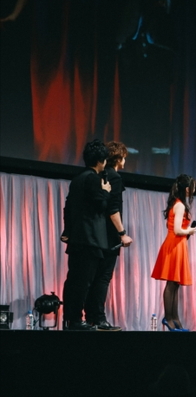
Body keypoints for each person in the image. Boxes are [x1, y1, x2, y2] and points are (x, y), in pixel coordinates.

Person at [60, 139, 111, 330]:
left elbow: (68, 207)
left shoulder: (77, 179)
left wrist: (68, 231)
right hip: (90, 238)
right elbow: (101, 205)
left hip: (77, 238)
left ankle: (70, 318)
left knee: (74, 280)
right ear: (100, 161)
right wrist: (106, 192)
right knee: (84, 282)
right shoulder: (93, 179)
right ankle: (76, 320)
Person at [89, 141, 133, 331]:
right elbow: (113, 209)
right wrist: (122, 233)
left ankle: (92, 317)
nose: (125, 161)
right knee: (103, 278)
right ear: (119, 158)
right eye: (124, 157)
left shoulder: (100, 175)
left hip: (97, 234)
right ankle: (99, 318)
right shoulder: (114, 177)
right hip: (108, 236)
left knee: (95, 277)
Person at [151, 174, 196, 331]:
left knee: (175, 284)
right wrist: (189, 231)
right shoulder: (180, 205)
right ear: (187, 189)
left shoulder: (177, 204)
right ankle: (169, 318)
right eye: (193, 187)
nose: (194, 190)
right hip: (175, 245)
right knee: (171, 284)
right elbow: (177, 230)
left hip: (178, 244)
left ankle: (175, 318)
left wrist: (186, 232)